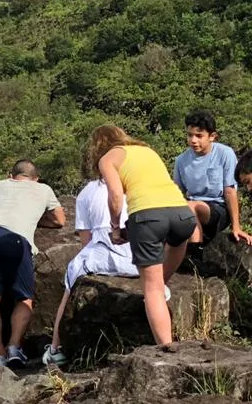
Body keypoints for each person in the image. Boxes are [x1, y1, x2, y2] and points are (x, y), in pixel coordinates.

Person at [92, 124, 197, 347]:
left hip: (148, 216)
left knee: (152, 290)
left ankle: (165, 349)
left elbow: (115, 195)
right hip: (183, 215)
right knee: (167, 266)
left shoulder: (107, 158)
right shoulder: (147, 151)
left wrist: (115, 226)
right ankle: (163, 291)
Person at [42, 160, 137, 367]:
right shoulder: (135, 181)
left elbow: (86, 242)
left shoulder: (87, 191)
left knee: (72, 274)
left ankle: (55, 347)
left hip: (106, 249)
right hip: (140, 254)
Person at [0, 160, 65, 368]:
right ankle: (14, 348)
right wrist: (37, 218)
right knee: (24, 297)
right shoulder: (44, 189)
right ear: (36, 178)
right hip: (16, 239)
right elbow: (60, 220)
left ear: (11, 175)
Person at [173, 110, 249, 245]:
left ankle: (196, 247)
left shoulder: (225, 154)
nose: (193, 140)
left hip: (218, 208)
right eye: (190, 135)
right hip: (190, 206)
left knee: (191, 207)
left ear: (212, 136)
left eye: (199, 136)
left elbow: (230, 191)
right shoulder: (181, 160)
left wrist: (236, 227)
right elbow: (177, 192)